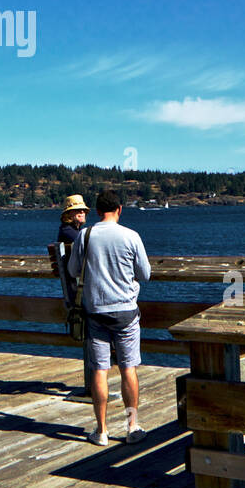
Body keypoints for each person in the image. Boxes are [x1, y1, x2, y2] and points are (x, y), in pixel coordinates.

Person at [68, 190, 151, 446]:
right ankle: (132, 426)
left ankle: (101, 430)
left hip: (96, 312)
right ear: (120, 209)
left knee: (100, 370)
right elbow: (145, 273)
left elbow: (72, 270)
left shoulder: (86, 234)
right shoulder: (131, 236)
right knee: (128, 368)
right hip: (125, 311)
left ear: (97, 210)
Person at [54, 194, 90, 303]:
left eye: (83, 210)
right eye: (78, 210)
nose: (82, 212)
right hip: (76, 284)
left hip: (75, 282)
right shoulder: (69, 232)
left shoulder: (73, 231)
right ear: (68, 214)